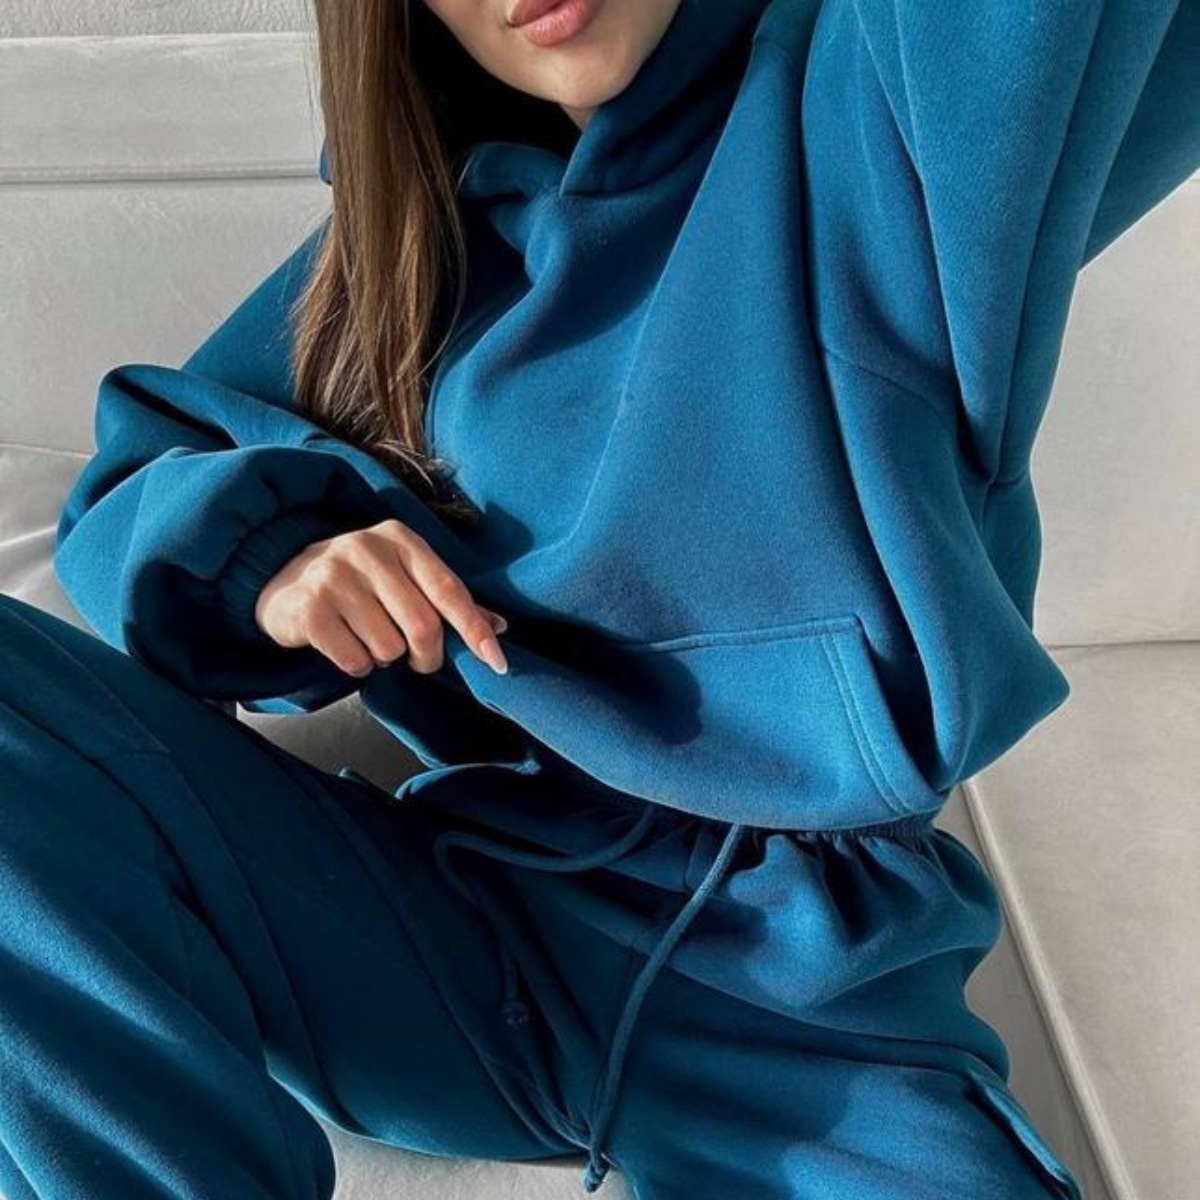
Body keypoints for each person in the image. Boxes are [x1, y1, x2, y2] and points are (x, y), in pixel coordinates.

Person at [1, 0, 1196, 1196]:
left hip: (802, 1017)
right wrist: (271, 563)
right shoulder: (425, 241)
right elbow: (137, 472)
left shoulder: (865, 119)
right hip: (455, 926)